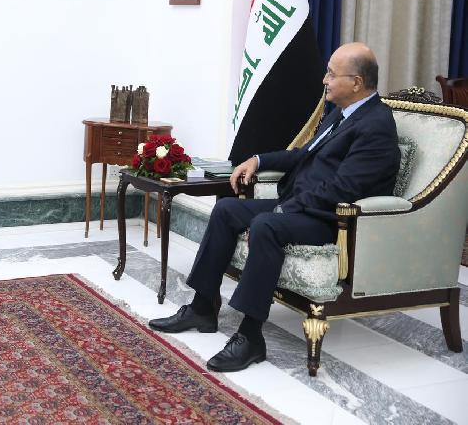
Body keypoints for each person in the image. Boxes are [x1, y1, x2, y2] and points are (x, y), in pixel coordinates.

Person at [149, 42, 401, 372]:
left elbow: (344, 189)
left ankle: (251, 336)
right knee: (226, 210)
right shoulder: (342, 113)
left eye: (331, 74)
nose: (324, 80)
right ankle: (202, 308)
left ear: (356, 82)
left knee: (267, 224)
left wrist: (285, 209)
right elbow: (304, 156)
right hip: (301, 206)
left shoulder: (376, 125)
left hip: (331, 220)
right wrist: (258, 159)